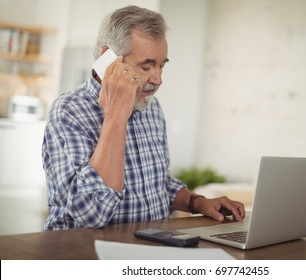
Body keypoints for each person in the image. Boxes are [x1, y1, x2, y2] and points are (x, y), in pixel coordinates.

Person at [42, 5, 245, 231]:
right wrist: (116, 117)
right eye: (146, 66)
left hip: (150, 246)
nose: (158, 79)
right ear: (108, 60)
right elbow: (92, 214)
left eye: (161, 66)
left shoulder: (151, 107)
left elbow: (156, 185)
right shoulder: (68, 111)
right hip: (82, 251)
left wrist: (198, 202)